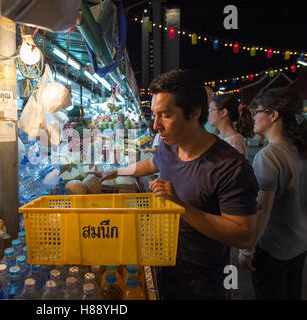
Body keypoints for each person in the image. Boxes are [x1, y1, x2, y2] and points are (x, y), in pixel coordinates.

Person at [92, 69, 259, 300]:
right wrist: (115, 172)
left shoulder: (231, 167)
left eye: (166, 115)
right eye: (154, 114)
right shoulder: (171, 146)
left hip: (202, 283)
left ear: (193, 112)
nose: (155, 126)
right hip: (161, 266)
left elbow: (244, 235)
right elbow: (151, 163)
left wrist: (179, 205)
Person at [238, 88, 307, 300]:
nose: (254, 117)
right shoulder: (301, 149)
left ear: (273, 115)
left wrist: (247, 250)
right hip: (299, 242)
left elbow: (262, 208)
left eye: (257, 111)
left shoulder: (269, 155)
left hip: (273, 247)